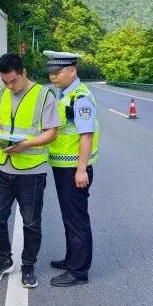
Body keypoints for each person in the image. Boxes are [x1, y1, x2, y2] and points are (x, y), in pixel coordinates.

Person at [0, 53, 60, 288]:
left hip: (31, 171)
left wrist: (26, 144)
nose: (9, 86)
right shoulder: (1, 93)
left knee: (31, 222)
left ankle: (28, 265)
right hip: (1, 166)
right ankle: (3, 260)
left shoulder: (44, 95)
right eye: (5, 81)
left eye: (13, 81)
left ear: (24, 72)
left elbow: (52, 133)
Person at [44, 50, 99, 287]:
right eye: (51, 72)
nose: (53, 76)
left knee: (77, 220)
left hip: (73, 169)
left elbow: (86, 135)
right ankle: (71, 259)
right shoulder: (64, 94)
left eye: (57, 72)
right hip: (63, 166)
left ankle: (78, 272)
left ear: (72, 71)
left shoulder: (80, 98)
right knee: (69, 217)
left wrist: (81, 169)